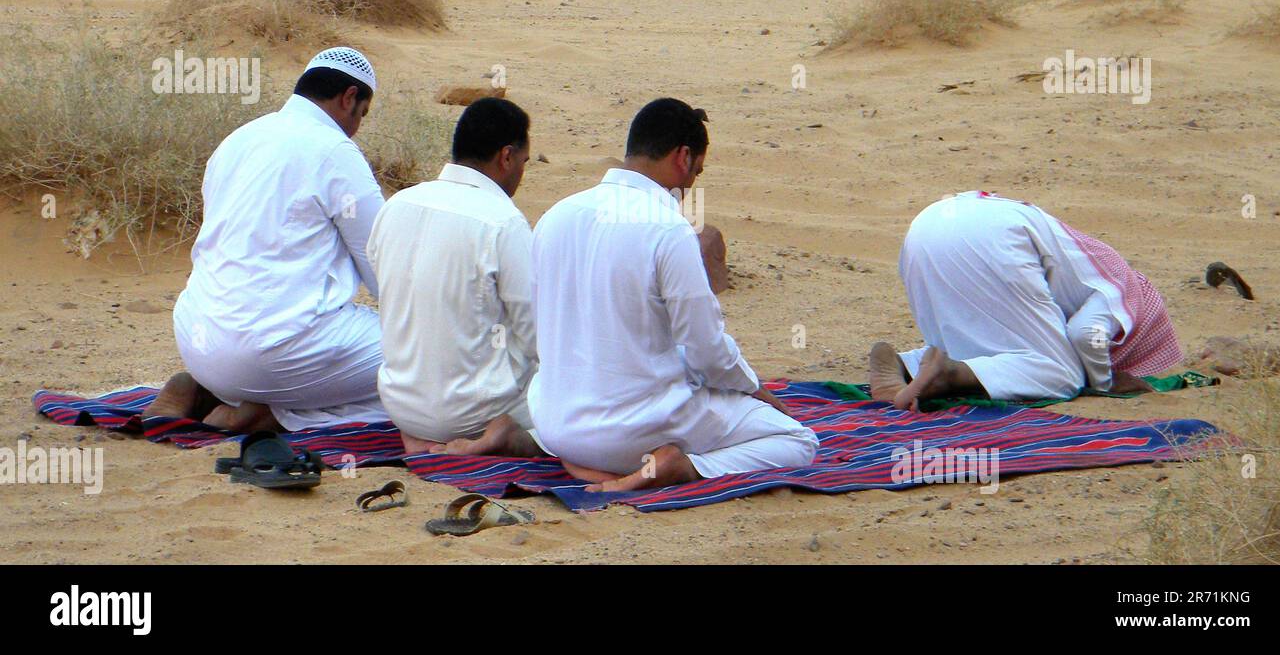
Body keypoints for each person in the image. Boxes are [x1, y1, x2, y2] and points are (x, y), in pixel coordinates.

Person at [527, 98, 819, 492]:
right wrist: (756, 390)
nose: (690, 184)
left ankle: (583, 465)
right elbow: (708, 352)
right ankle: (682, 467)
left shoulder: (555, 216)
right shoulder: (668, 228)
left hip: (555, 425)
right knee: (798, 441)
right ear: (683, 157)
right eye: (696, 171)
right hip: (633, 432)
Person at [149, 47, 388, 432]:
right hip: (273, 353)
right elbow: (383, 267)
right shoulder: (334, 151)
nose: (356, 126)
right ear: (348, 98)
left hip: (198, 339)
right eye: (361, 113)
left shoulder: (238, 139)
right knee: (427, 368)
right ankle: (274, 415)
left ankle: (204, 387)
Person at [870, 191, 1183, 411]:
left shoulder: (1092, 258)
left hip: (926, 227)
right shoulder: (1125, 289)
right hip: (992, 237)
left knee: (975, 344)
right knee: (1064, 374)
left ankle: (904, 363)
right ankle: (951, 376)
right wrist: (1104, 384)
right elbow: (1088, 336)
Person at [367, 97, 545, 457]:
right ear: (506, 157)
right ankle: (505, 438)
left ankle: (422, 436)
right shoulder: (503, 222)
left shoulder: (397, 205)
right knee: (582, 402)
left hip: (402, 407)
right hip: (476, 413)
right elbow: (537, 336)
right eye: (523, 162)